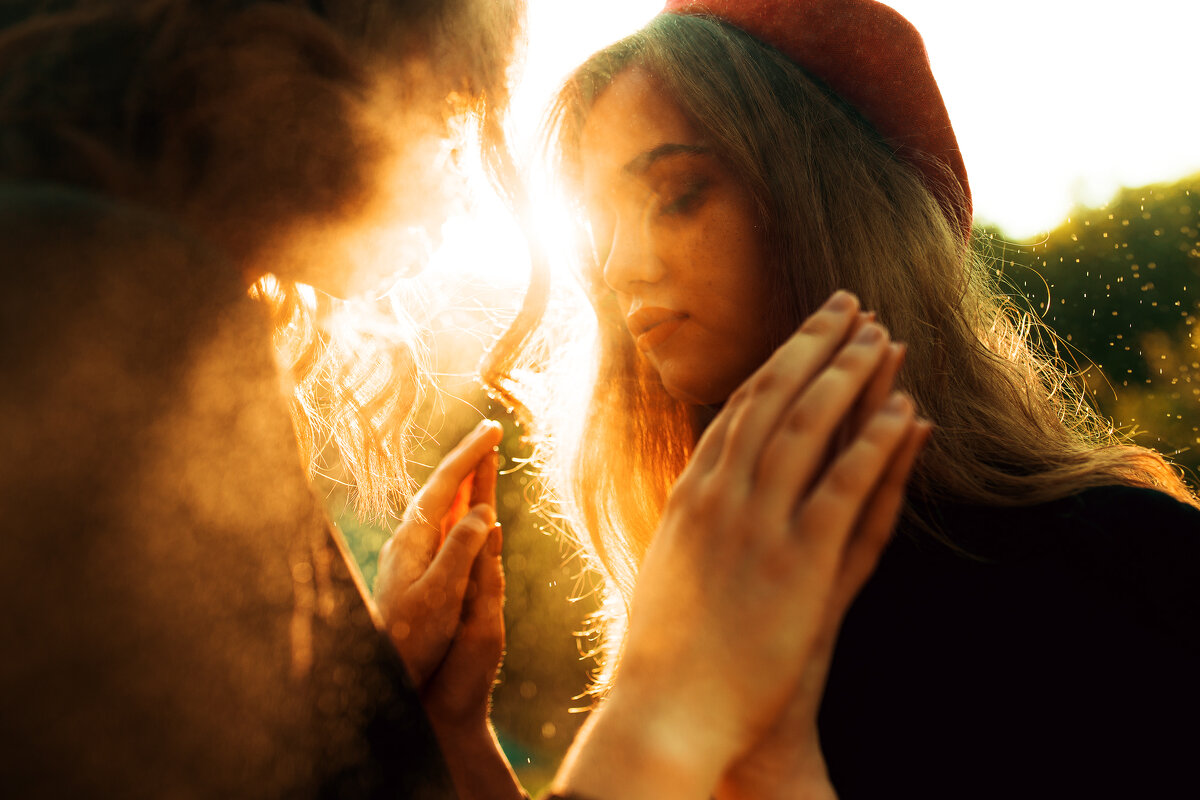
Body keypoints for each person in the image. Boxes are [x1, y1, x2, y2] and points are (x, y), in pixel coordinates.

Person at [0, 1, 926, 798]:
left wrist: (399, 713)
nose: (458, 170)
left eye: (681, 193)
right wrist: (663, 711)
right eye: (458, 106)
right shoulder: (83, 285)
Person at [502, 0, 1200, 797]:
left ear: (826, 200)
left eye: (679, 192)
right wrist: (449, 736)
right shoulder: (707, 617)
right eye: (599, 224)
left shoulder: (1128, 570)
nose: (621, 266)